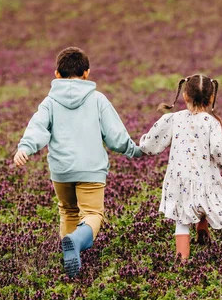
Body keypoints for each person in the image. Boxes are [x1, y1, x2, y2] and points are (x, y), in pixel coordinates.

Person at [13, 46, 143, 277]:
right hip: (90, 169)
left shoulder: (50, 102)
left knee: (68, 211)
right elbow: (114, 136)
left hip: (61, 172)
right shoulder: (97, 99)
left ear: (56, 74)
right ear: (87, 73)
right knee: (93, 214)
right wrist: (133, 150)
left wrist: (25, 147)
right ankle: (75, 241)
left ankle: (70, 263)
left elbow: (38, 127)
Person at [139, 74, 222, 260]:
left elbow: (152, 143)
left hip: (178, 179)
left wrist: (142, 145)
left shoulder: (174, 119)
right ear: (211, 98)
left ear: (185, 96)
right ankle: (203, 228)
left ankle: (182, 261)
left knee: (182, 220)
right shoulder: (211, 123)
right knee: (204, 200)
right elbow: (219, 151)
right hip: (205, 178)